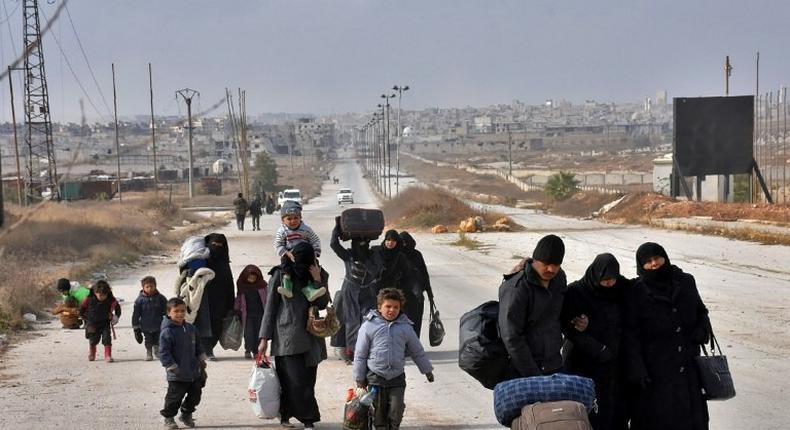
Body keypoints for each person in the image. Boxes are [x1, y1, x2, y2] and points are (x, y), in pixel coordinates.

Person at [624, 242, 711, 430]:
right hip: (655, 372)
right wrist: (637, 369)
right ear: (641, 265)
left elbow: (701, 311)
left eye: (657, 258)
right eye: (648, 262)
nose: (654, 264)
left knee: (692, 420)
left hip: (687, 367)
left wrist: (702, 329)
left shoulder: (686, 281)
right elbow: (631, 335)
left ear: (665, 257)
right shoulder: (636, 292)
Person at [258, 242, 330, 429]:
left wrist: (317, 280)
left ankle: (297, 417)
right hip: (286, 336)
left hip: (311, 336)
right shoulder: (280, 275)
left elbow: (322, 303)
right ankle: (301, 417)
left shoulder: (318, 272)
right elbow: (270, 307)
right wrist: (264, 338)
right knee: (291, 380)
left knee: (307, 380)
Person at [561, 253, 631, 430]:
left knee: (615, 414)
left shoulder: (621, 289)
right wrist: (598, 349)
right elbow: (568, 327)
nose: (609, 283)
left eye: (612, 279)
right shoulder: (576, 292)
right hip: (583, 364)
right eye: (605, 279)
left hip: (614, 366)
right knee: (588, 414)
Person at [353, 288, 435, 430]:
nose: (392, 310)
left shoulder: (405, 327)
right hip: (375, 377)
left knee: (396, 411)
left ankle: (394, 426)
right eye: (388, 306)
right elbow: (360, 355)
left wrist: (427, 370)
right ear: (379, 307)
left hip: (397, 377)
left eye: (396, 307)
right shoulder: (369, 326)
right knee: (379, 413)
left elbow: (417, 351)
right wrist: (360, 378)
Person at [498, 234, 567, 379]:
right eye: (546, 263)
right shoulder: (517, 287)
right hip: (524, 371)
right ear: (536, 260)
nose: (551, 269)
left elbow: (559, 315)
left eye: (556, 265)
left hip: (554, 365)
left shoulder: (559, 279)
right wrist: (533, 375)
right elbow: (511, 336)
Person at [329, 220, 380, 361]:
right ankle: (351, 352)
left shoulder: (374, 255)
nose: (360, 246)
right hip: (350, 291)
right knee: (351, 321)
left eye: (363, 244)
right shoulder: (348, 255)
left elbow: (375, 270)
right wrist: (337, 227)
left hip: (368, 292)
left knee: (368, 321)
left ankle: (366, 350)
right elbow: (334, 244)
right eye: (357, 243)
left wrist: (365, 259)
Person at [159, 297, 208, 429]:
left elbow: (198, 345)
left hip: (193, 371)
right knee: (174, 398)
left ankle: (186, 414)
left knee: (195, 395)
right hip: (177, 374)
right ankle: (169, 418)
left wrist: (201, 359)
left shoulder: (191, 329)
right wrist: (172, 367)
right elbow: (163, 352)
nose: (180, 314)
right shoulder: (167, 331)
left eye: (182, 311)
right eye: (176, 311)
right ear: (169, 313)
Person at [272, 201, 325, 301]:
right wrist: (287, 253)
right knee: (284, 259)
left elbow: (315, 240)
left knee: (304, 247)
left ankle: (309, 289)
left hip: (305, 257)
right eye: (289, 219)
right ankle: (287, 284)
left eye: (296, 218)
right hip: (289, 257)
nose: (293, 221)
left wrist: (317, 278)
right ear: (283, 220)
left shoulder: (306, 230)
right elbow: (278, 244)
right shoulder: (282, 231)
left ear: (300, 218)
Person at [370, 230, 419, 331]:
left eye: (393, 241)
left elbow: (408, 275)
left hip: (390, 292)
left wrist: (415, 289)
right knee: (375, 318)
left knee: (390, 317)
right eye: (388, 240)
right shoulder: (375, 251)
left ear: (397, 242)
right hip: (375, 290)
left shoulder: (400, 256)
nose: (390, 243)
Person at [200, 233, 236, 361]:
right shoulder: (202, 260)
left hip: (220, 299)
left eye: (220, 245)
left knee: (217, 325)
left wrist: (232, 303)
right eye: (213, 245)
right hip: (203, 299)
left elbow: (229, 283)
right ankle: (206, 351)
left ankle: (209, 349)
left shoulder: (224, 261)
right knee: (203, 324)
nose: (216, 248)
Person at [398, 231, 435, 338]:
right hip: (402, 295)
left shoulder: (417, 254)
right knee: (404, 320)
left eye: (406, 242)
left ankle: (414, 345)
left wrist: (429, 293)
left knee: (416, 320)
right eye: (402, 243)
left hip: (417, 295)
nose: (404, 245)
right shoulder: (397, 256)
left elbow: (424, 273)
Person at [80, 280, 121, 363]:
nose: (102, 297)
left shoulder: (110, 300)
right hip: (92, 323)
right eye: (100, 295)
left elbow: (117, 308)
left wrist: (116, 317)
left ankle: (108, 355)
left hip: (105, 323)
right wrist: (84, 317)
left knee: (107, 339)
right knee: (93, 340)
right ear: (95, 292)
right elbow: (82, 308)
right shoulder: (89, 299)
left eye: (104, 295)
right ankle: (92, 353)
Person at [234, 265, 267, 359]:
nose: (252, 279)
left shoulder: (262, 285)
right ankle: (248, 350)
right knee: (249, 334)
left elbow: (268, 298)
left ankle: (256, 351)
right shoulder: (242, 286)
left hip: (260, 314)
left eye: (254, 277)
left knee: (259, 333)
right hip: (247, 315)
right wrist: (236, 310)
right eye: (250, 277)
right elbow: (238, 299)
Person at [132, 276, 168, 361]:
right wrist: (136, 328)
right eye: (147, 287)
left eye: (152, 286)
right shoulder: (139, 300)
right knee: (148, 340)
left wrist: (169, 319)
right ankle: (149, 352)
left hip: (158, 324)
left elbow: (167, 309)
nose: (150, 288)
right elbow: (136, 314)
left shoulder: (161, 298)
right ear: (143, 288)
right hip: (146, 325)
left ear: (155, 286)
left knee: (158, 339)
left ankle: (156, 350)